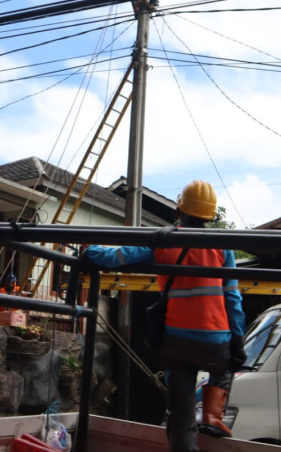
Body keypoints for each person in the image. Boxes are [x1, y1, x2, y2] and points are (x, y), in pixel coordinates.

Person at [83, 180, 245, 452]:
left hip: (176, 342)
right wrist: (237, 340)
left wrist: (90, 251)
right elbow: (233, 298)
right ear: (211, 215)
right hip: (214, 341)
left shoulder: (165, 241)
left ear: (179, 210)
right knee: (224, 367)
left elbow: (120, 255)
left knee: (181, 416)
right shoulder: (222, 247)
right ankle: (213, 417)